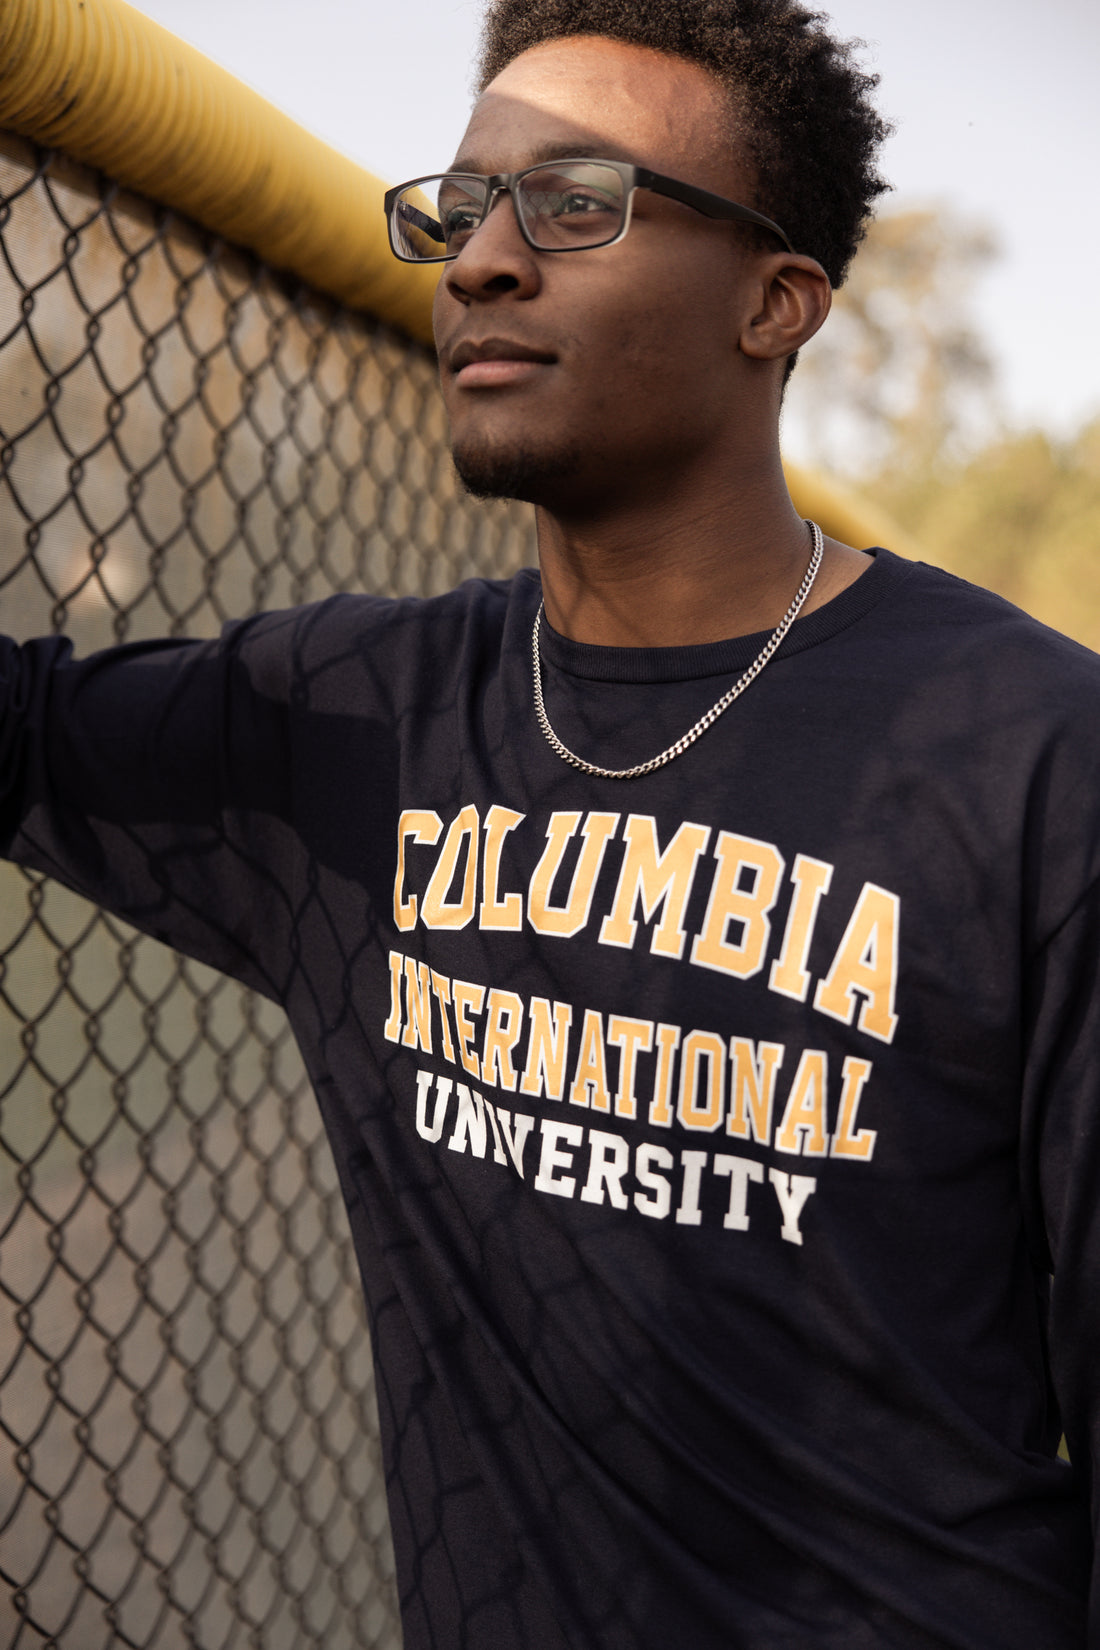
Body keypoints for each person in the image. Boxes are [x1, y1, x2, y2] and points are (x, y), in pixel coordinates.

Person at [1, 0, 1097, 1644]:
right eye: (460, 209)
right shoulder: (346, 718)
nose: (480, 263)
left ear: (775, 301)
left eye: (578, 202)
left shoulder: (1036, 756)